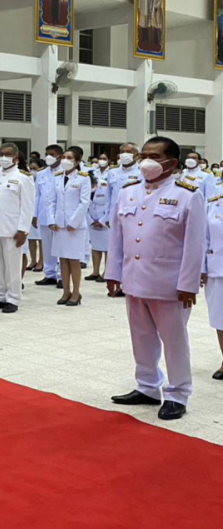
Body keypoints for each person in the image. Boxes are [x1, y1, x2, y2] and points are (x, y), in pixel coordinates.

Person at [106, 136, 206, 420]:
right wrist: (113, 273)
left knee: (174, 342)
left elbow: (194, 244)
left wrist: (188, 284)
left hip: (170, 286)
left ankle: (177, 394)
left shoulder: (188, 194)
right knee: (141, 337)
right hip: (135, 281)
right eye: (144, 155)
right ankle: (147, 387)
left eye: (154, 155)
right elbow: (117, 237)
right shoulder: (128, 192)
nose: (146, 161)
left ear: (172, 163)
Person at [0, 143, 35, 314]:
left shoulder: (23, 177)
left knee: (12, 265)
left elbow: (27, 206)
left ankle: (13, 298)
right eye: (1, 154)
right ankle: (0, 295)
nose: (3, 157)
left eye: (8, 154)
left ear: (16, 157)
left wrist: (24, 230)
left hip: (12, 228)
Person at [47, 148, 91, 306]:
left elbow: (84, 202)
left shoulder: (83, 178)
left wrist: (74, 222)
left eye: (69, 157)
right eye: (64, 157)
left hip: (75, 226)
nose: (65, 160)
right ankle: (66, 291)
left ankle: (76, 293)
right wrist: (51, 219)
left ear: (77, 161)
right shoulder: (57, 177)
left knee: (74, 260)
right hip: (59, 225)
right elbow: (51, 200)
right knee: (62, 260)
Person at [106, 143, 142, 297]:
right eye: (123, 152)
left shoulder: (141, 172)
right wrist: (106, 217)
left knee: (132, 251)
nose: (125, 155)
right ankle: (116, 280)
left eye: (129, 152)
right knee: (115, 250)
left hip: (133, 217)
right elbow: (108, 196)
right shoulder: (113, 172)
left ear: (137, 156)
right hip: (115, 216)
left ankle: (130, 283)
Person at [33, 144, 64, 287]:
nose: (48, 157)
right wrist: (35, 215)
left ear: (60, 155)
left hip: (59, 216)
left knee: (61, 246)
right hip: (44, 215)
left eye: (51, 154)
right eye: (46, 154)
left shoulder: (66, 171)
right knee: (47, 246)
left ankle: (62, 276)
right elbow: (37, 196)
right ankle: (49, 274)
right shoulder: (41, 173)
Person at [202, 192, 223, 380]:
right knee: (220, 318)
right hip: (217, 269)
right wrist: (201, 268)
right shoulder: (213, 204)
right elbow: (204, 239)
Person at [86, 156, 112, 282]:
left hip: (104, 222)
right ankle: (95, 271)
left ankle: (106, 272)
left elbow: (110, 204)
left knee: (108, 248)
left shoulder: (105, 186)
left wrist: (102, 221)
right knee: (95, 247)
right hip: (92, 221)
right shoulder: (84, 187)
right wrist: (90, 221)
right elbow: (83, 206)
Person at [27, 157, 45, 272]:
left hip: (40, 212)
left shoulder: (44, 179)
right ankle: (33, 260)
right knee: (31, 238)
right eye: (31, 168)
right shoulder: (27, 179)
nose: (32, 171)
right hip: (29, 211)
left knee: (41, 239)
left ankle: (41, 261)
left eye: (35, 168)